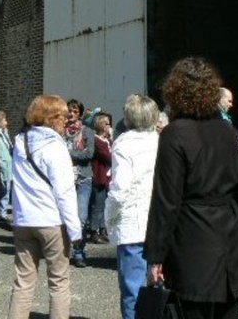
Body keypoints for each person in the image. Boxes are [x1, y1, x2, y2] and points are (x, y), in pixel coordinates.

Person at [145, 56, 238, 319]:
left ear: (175, 92)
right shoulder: (228, 131)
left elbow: (166, 200)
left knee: (192, 312)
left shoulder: (175, 133)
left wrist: (155, 256)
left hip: (193, 238)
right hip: (229, 233)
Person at [7, 95, 82, 319]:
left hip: (23, 220)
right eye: (63, 116)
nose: (66, 121)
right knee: (59, 282)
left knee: (23, 281)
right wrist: (75, 229)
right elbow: (65, 192)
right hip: (51, 221)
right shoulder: (55, 147)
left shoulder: (21, 141)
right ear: (52, 119)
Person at [104, 94, 160, 319]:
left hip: (133, 222)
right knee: (157, 284)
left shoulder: (124, 144)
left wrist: (110, 216)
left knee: (132, 289)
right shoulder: (161, 140)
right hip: (158, 221)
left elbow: (120, 188)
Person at [63, 98, 94, 268]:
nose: (71, 114)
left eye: (75, 111)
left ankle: (79, 252)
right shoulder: (60, 131)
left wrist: (68, 153)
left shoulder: (87, 131)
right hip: (65, 178)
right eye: (69, 110)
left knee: (81, 217)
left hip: (83, 178)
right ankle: (63, 249)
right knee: (65, 216)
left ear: (80, 114)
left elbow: (89, 154)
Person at [88, 112, 112, 244]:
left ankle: (103, 228)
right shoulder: (97, 141)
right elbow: (107, 156)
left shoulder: (108, 140)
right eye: (107, 124)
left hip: (108, 177)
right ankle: (93, 230)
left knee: (105, 205)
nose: (109, 126)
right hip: (99, 176)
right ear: (101, 125)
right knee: (97, 205)